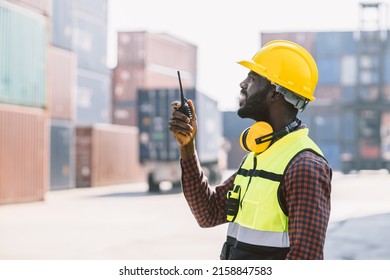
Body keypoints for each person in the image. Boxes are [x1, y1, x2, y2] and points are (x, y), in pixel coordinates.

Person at [168, 40, 332, 260]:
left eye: (253, 78)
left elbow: (305, 261)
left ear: (275, 93)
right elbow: (207, 213)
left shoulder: (304, 167)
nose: (242, 84)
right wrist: (187, 148)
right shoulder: (258, 157)